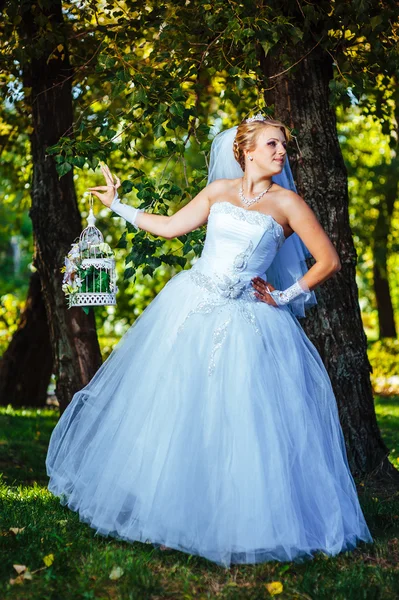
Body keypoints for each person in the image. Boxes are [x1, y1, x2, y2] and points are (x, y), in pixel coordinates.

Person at [46, 114, 373, 568]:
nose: (282, 152)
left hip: (250, 320)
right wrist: (117, 205)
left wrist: (284, 295)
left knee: (241, 419)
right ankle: (169, 517)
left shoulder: (289, 203)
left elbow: (328, 260)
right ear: (247, 151)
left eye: (283, 146)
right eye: (273, 145)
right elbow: (169, 227)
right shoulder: (218, 193)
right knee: (180, 411)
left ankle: (241, 522)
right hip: (192, 308)